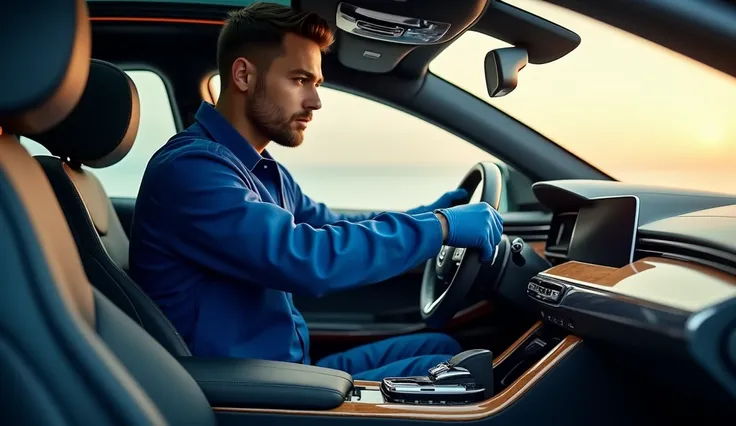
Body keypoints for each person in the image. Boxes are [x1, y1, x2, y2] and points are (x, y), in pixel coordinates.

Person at [129, 2, 504, 381]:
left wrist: (429, 213)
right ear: (243, 75)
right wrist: (440, 227)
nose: (315, 102)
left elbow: (331, 224)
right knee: (457, 376)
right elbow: (307, 257)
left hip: (285, 370)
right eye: (299, 80)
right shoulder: (192, 171)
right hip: (245, 392)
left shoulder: (257, 167)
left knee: (439, 348)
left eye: (317, 83)